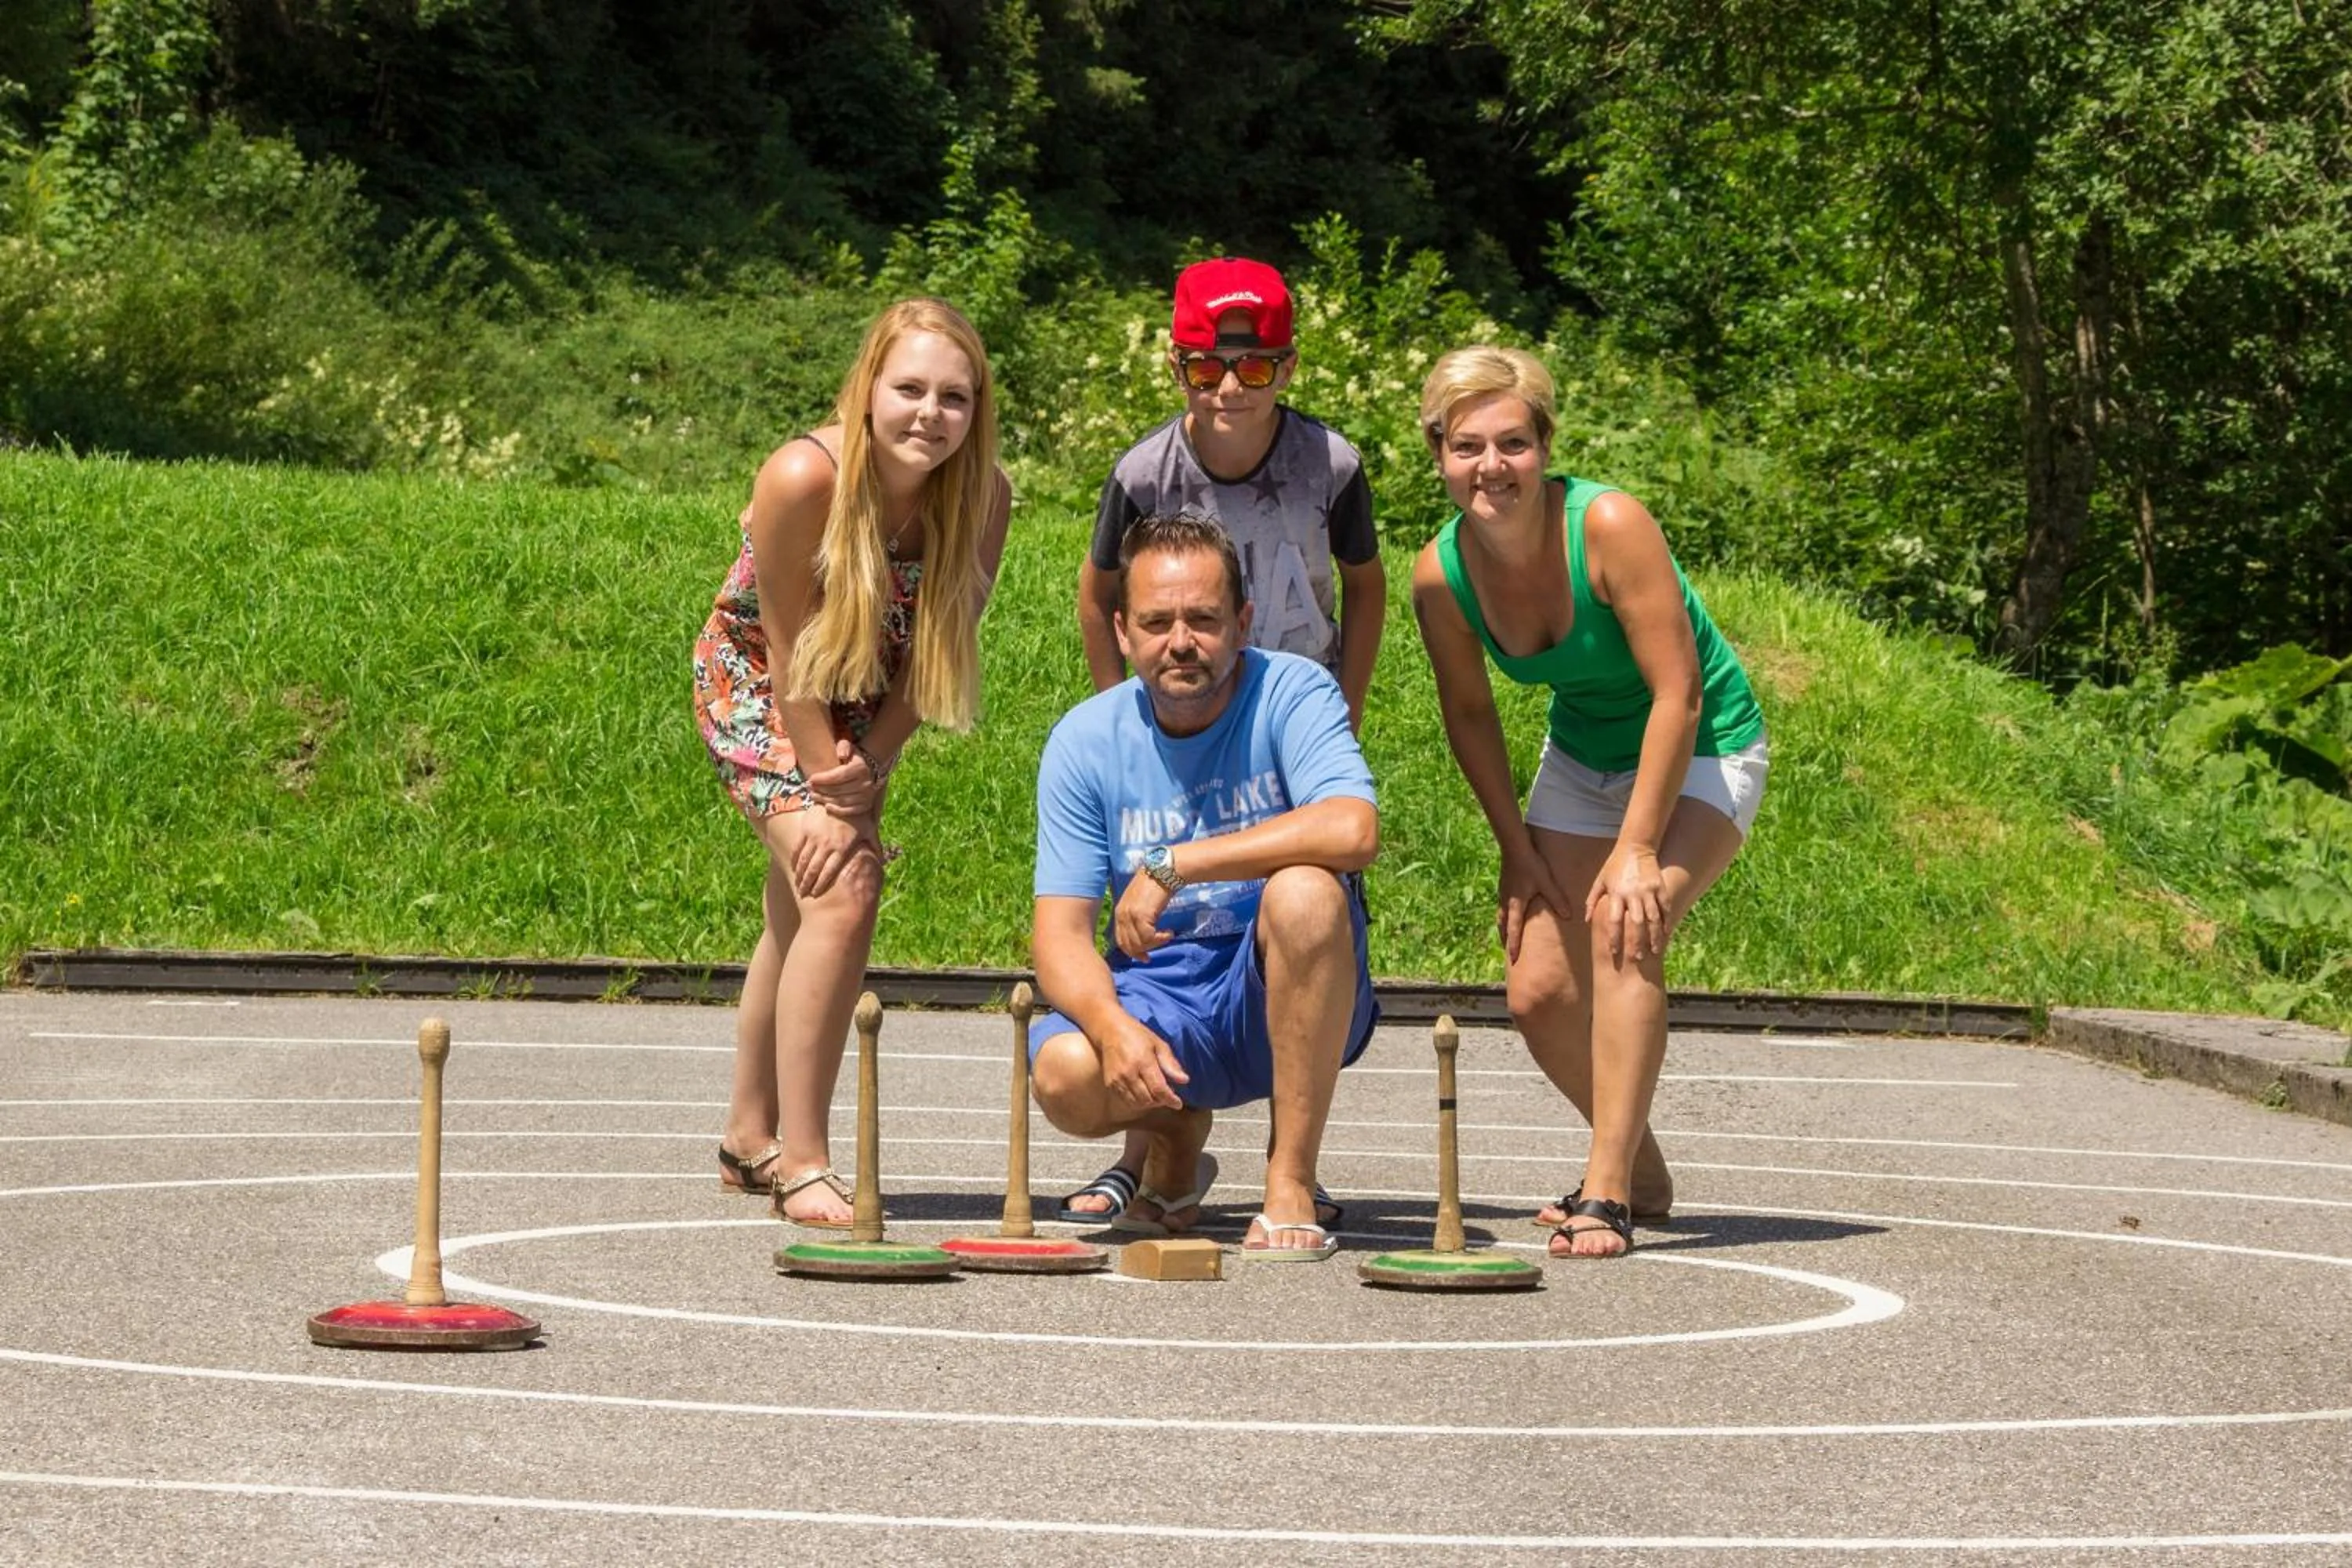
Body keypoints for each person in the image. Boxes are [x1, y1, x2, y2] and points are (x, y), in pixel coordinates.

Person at [1410, 345, 1767, 1259]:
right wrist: (1514, 847)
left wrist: (1638, 845)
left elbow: (1679, 692)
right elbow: (1469, 711)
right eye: (1468, 446)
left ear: (1545, 444)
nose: (1493, 466)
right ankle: (1640, 1161)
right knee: (1535, 986)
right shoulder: (1440, 575)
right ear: (1439, 454)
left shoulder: (1608, 523)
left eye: (1514, 442)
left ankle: (1606, 1191)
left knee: (1623, 922)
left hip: (1702, 745)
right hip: (1581, 754)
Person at [1060, 256, 1385, 1226]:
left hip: (1291, 732)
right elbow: (1096, 590)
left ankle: (1296, 1162)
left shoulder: (1331, 464)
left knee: (1296, 913)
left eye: (1256, 368)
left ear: (1288, 368)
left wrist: (1347, 702)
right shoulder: (1143, 470)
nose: (1232, 390)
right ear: (1178, 368)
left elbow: (1364, 584)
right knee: (1160, 939)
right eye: (1208, 370)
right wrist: (1122, 714)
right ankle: (1153, 1148)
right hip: (1176, 715)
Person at [695, 298, 1013, 1226]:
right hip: (761, 685)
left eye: (954, 397)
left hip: (870, 700)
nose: (929, 414)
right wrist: (830, 785)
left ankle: (748, 1137)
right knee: (843, 882)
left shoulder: (983, 496)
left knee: (807, 893)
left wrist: (871, 760)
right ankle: (805, 1161)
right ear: (868, 386)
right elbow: (788, 648)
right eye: (909, 388)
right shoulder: (803, 476)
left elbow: (939, 650)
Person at [1030, 514, 1380, 1259]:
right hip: (1165, 993)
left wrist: (1176, 863)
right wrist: (1110, 1027)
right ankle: (1172, 1133)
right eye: (1157, 622)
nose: (1180, 642)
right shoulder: (1084, 740)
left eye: (1203, 619)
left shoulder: (1294, 690)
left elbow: (1354, 829)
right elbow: (1059, 936)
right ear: (1122, 631)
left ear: (1244, 622)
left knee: (1308, 891)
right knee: (1064, 1072)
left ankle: (1289, 1179)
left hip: (1279, 979)